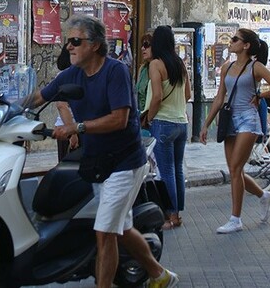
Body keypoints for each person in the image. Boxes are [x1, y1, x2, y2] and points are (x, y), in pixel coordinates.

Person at [28, 15, 178, 288]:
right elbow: (40, 96)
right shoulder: (72, 74)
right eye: (67, 42)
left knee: (105, 232)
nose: (69, 47)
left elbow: (119, 119)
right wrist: (2, 111)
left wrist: (77, 128)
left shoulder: (115, 71)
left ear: (95, 45)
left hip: (124, 164)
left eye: (75, 41)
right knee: (119, 229)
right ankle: (159, 274)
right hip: (97, 162)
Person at [200, 28, 270, 234]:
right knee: (233, 170)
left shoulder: (255, 66)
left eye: (235, 39)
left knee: (237, 169)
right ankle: (263, 195)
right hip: (230, 119)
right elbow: (220, 97)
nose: (231, 42)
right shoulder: (227, 67)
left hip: (248, 118)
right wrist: (206, 124)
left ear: (246, 45)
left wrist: (260, 96)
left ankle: (235, 219)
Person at [144, 26, 191, 230]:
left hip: (163, 122)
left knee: (166, 171)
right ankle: (177, 212)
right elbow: (188, 94)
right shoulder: (179, 63)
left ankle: (171, 215)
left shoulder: (156, 64)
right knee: (177, 170)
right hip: (182, 122)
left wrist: (149, 117)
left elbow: (156, 97)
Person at [55, 42, 79, 160]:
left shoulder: (79, 75)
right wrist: (72, 132)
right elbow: (62, 106)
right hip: (68, 129)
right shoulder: (65, 76)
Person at [135, 33, 154, 142]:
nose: (143, 48)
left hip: (153, 118)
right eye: (142, 45)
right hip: (141, 117)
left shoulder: (159, 68)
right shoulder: (142, 69)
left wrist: (149, 118)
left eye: (146, 45)